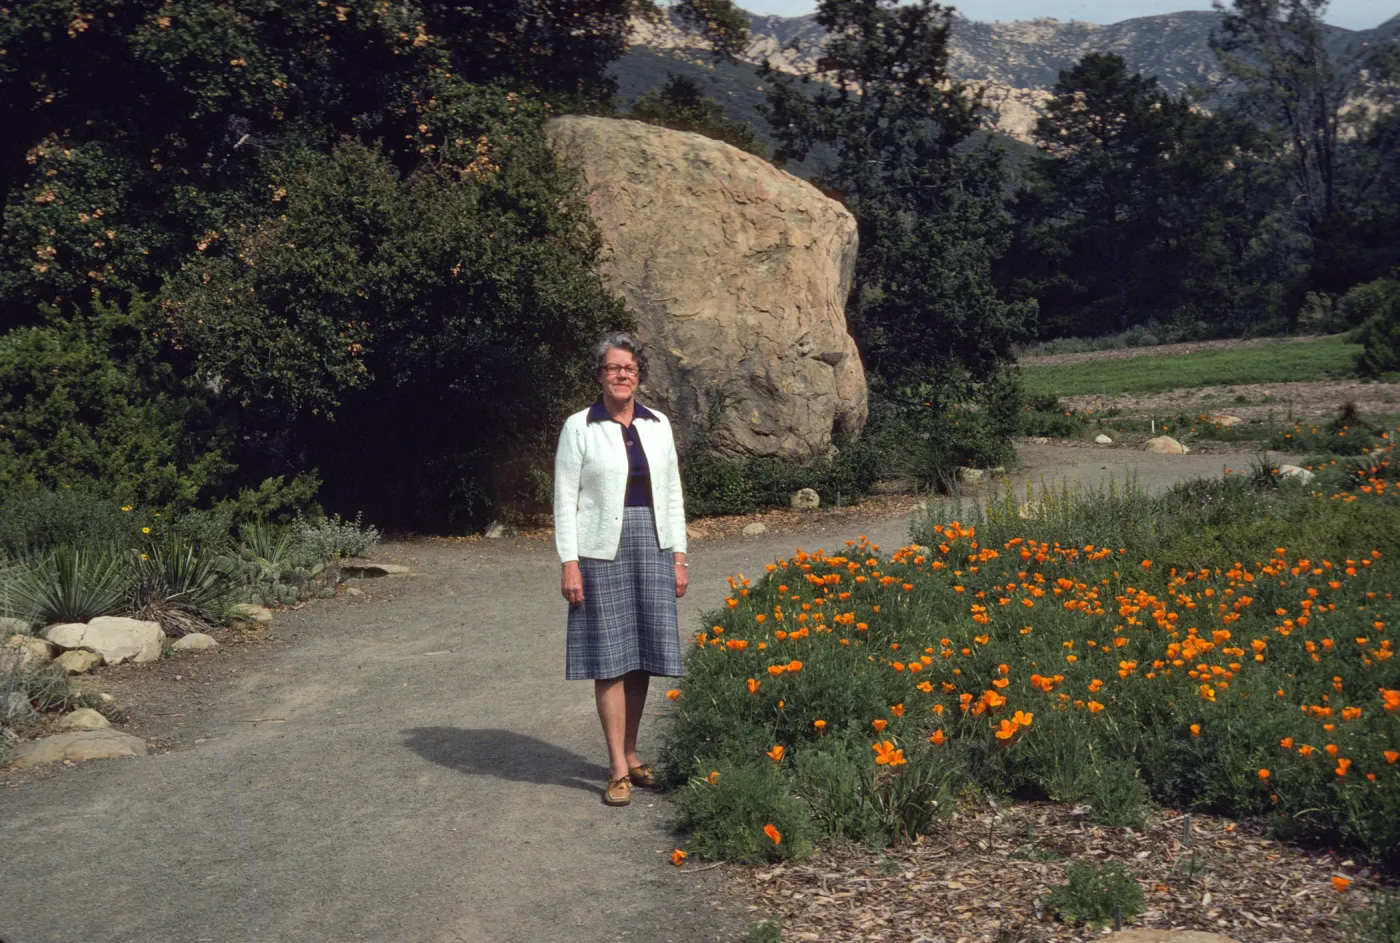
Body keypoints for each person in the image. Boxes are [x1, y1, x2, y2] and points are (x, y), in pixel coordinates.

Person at [554, 331, 689, 807]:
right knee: (609, 657)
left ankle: (632, 754)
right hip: (599, 552)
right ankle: (615, 766)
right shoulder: (579, 427)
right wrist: (569, 564)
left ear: (638, 376)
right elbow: (564, 500)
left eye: (629, 368)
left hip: (652, 545)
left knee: (643, 654)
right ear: (599, 375)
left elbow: (671, 492)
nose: (622, 375)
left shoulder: (658, 425)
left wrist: (678, 555)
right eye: (613, 368)